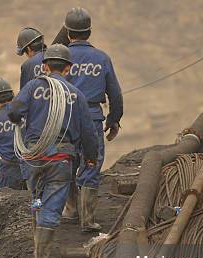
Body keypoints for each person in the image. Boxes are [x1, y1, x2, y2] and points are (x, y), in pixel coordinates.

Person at [8, 43, 98, 258]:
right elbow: (88, 132)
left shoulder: (31, 88)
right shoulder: (76, 95)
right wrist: (91, 157)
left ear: (45, 66)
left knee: (37, 200)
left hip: (33, 159)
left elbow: (13, 112)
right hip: (59, 160)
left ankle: (38, 252)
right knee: (52, 205)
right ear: (68, 68)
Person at [63, 7, 124, 232]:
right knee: (91, 161)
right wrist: (113, 120)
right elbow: (115, 94)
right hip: (92, 117)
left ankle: (70, 211)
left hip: (65, 119)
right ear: (89, 31)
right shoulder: (101, 58)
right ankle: (87, 219)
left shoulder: (59, 57)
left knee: (67, 161)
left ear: (69, 33)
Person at [0, 77, 26, 190]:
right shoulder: (26, 111)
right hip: (31, 167)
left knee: (7, 205)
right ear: (12, 95)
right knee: (35, 203)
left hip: (8, 173)